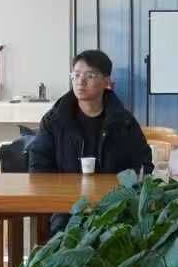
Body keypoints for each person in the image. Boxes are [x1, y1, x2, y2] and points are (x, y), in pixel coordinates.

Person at [26, 50, 155, 175]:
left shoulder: (124, 121)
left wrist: (122, 187)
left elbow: (143, 165)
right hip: (65, 190)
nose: (80, 82)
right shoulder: (54, 120)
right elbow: (38, 168)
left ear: (106, 81)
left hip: (113, 190)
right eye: (76, 75)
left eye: (90, 76)